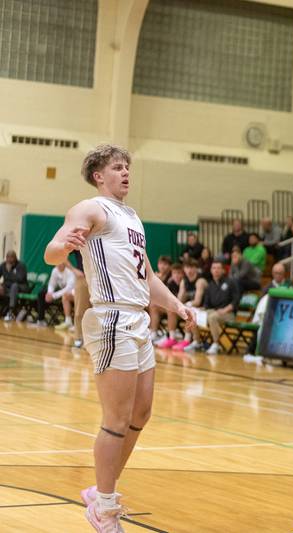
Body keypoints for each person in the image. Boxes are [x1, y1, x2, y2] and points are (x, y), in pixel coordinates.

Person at [43, 144, 194, 531]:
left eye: (127, 167)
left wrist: (177, 305)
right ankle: (104, 508)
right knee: (116, 419)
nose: (126, 173)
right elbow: (51, 251)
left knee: (141, 413)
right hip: (111, 317)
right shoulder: (91, 209)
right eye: (117, 168)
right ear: (99, 176)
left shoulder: (131, 216)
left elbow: (147, 276)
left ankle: (100, 490)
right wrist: (64, 246)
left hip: (138, 320)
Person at [161, 259, 208, 351]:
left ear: (196, 269)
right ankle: (172, 338)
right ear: (184, 269)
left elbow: (197, 302)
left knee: (189, 310)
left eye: (192, 267)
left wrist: (185, 305)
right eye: (187, 268)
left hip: (203, 309)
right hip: (191, 308)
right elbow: (179, 299)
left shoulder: (200, 281)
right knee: (171, 310)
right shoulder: (184, 281)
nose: (189, 270)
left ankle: (187, 340)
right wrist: (178, 305)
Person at [198, 259, 240, 355]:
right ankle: (197, 341)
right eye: (214, 268)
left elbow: (236, 301)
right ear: (211, 270)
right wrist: (200, 310)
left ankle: (216, 344)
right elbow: (206, 305)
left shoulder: (231, 282)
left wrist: (225, 310)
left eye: (218, 268)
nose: (216, 270)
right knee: (196, 315)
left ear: (223, 270)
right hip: (214, 311)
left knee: (212, 317)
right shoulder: (210, 285)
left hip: (229, 313)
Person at [149, 262, 183, 342]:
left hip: (184, 309)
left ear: (183, 274)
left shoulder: (184, 283)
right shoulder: (171, 283)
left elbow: (180, 301)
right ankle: (153, 333)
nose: (177, 275)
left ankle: (172, 337)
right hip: (174, 307)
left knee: (171, 309)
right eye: (174, 273)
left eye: (179, 273)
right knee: (153, 305)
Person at [36, 261, 75, 329]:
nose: (58, 264)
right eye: (56, 263)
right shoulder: (55, 270)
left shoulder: (70, 271)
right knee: (41, 294)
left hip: (72, 292)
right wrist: (49, 293)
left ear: (64, 263)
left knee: (65, 295)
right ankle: (40, 319)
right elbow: (51, 284)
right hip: (60, 292)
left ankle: (70, 322)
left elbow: (68, 288)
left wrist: (54, 296)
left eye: (60, 262)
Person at [0, 251, 29, 321]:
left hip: (21, 286)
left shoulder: (21, 265)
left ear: (15, 258)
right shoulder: (3, 265)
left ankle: (11, 312)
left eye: (11, 258)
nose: (10, 261)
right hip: (7, 286)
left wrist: (10, 271)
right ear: (6, 258)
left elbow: (20, 279)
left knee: (14, 286)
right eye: (8, 258)